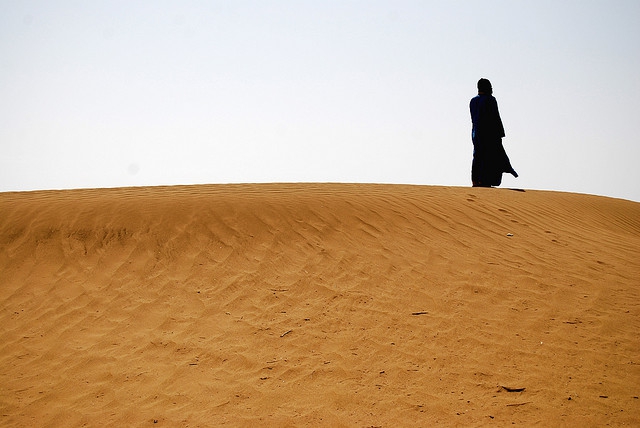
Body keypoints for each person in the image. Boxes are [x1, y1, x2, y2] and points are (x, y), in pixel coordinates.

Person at [469, 78, 518, 187]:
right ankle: (484, 181)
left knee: (477, 155)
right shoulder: (490, 100)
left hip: (475, 133)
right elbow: (495, 118)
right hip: (489, 134)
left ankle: (475, 180)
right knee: (488, 157)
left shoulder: (473, 101)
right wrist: (500, 134)